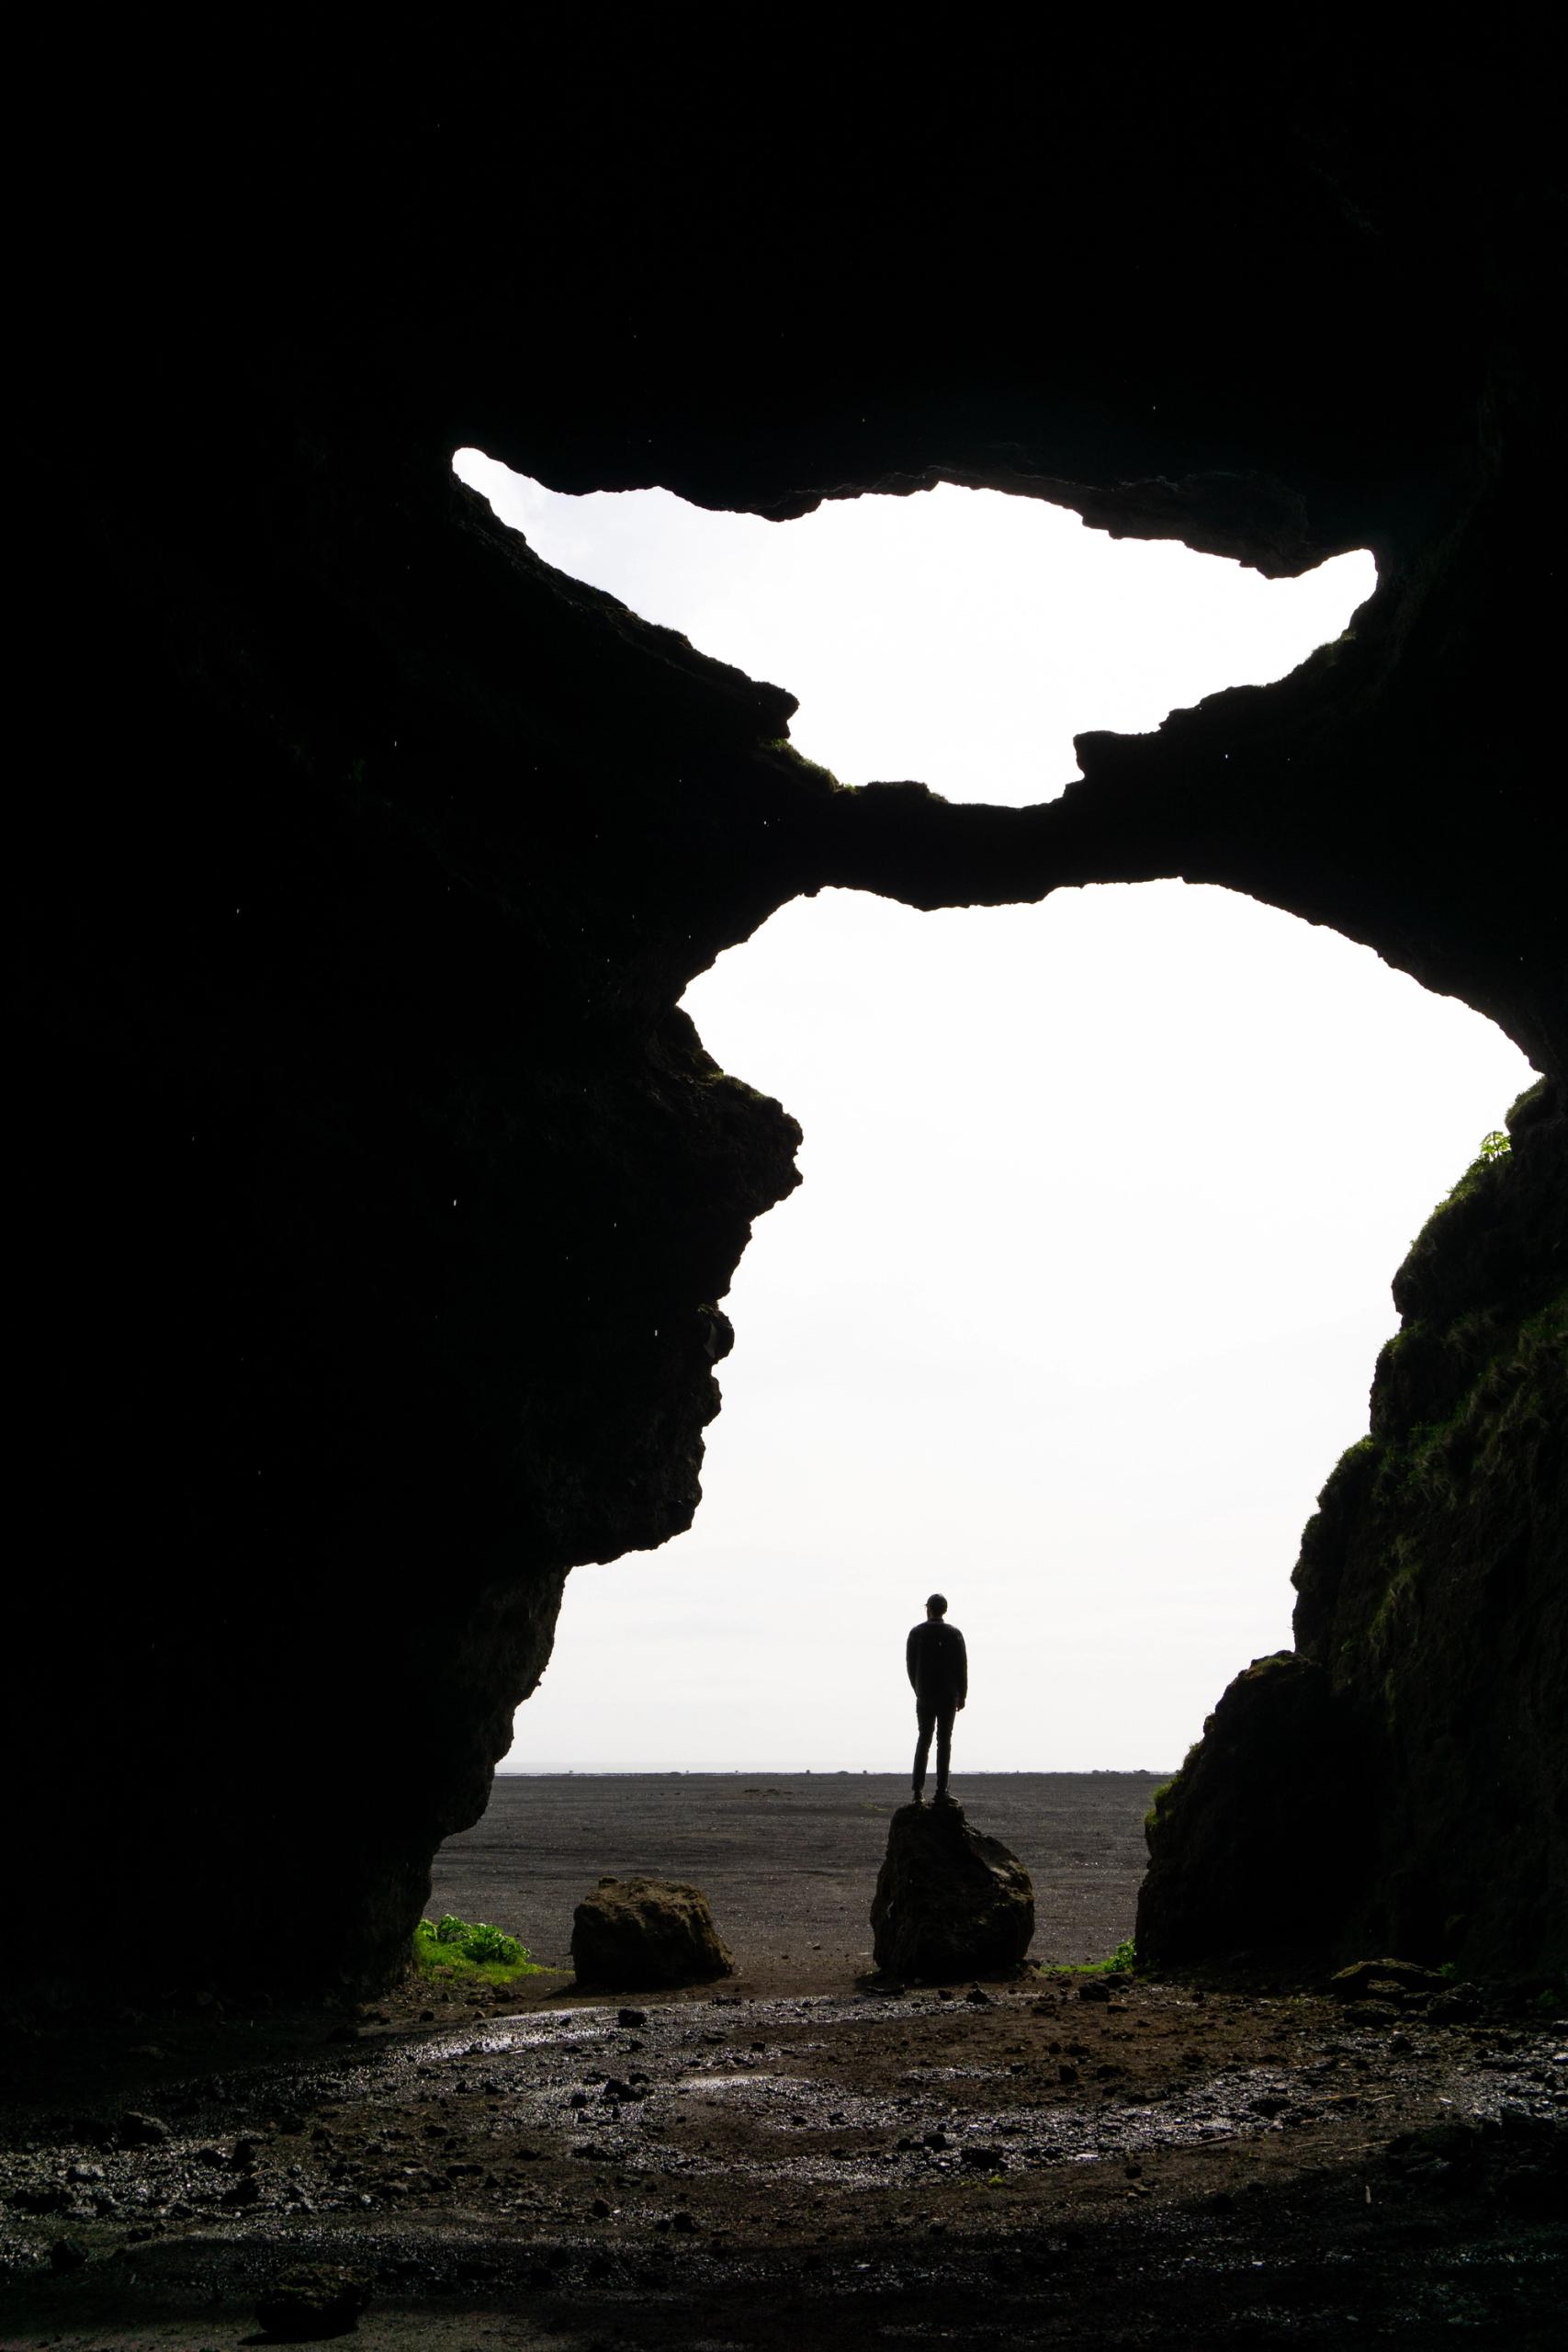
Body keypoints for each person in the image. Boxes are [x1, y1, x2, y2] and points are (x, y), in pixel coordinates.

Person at [907, 1592, 967, 1805]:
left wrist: (919, 1690)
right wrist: (962, 1694)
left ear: (928, 1609)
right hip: (948, 1695)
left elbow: (910, 1666)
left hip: (926, 1695)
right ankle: (941, 1790)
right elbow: (962, 1667)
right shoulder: (954, 1634)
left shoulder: (917, 1633)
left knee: (924, 1740)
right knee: (944, 1741)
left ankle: (917, 1792)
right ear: (944, 1610)